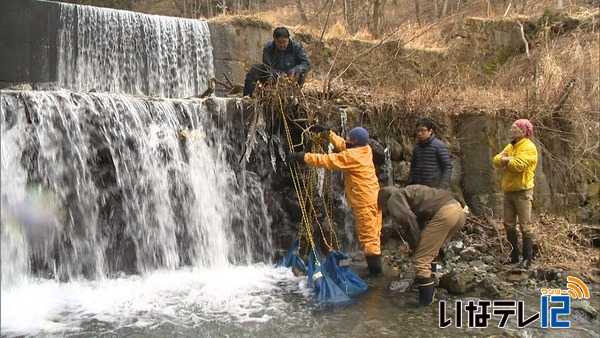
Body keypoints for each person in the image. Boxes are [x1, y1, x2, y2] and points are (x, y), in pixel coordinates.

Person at [286, 126, 383, 276]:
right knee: (373, 233)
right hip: (372, 197)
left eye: (350, 138)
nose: (347, 140)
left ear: (355, 141)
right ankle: (373, 267)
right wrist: (328, 134)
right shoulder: (365, 149)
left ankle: (376, 275)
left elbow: (328, 160)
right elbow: (344, 145)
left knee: (369, 238)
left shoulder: (352, 157)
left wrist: (302, 157)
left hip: (364, 201)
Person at [377, 185, 466, 306]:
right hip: (459, 212)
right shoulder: (410, 193)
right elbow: (420, 222)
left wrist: (414, 245)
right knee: (430, 251)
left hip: (445, 213)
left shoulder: (394, 198)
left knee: (420, 259)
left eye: (386, 210)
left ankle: (426, 301)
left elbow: (407, 219)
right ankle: (431, 282)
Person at [492, 119, 538, 270]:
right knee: (509, 224)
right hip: (509, 191)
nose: (511, 130)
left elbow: (517, 166)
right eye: (511, 127)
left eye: (514, 128)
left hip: (523, 192)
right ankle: (513, 256)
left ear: (524, 132)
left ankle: (527, 259)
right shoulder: (511, 145)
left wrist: (507, 160)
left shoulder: (529, 147)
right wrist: (509, 159)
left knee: (525, 226)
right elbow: (496, 160)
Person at [243, 27, 310, 97]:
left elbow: (305, 64)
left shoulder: (296, 47)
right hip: (273, 77)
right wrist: (279, 75)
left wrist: (294, 70)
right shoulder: (268, 48)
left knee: (300, 75)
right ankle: (247, 96)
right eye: (278, 42)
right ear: (274, 40)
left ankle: (294, 95)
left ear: (288, 39)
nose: (281, 45)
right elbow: (267, 67)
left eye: (284, 42)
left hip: (291, 78)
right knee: (256, 68)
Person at [408, 117, 452, 190]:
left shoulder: (439, 146)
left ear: (430, 131)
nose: (420, 133)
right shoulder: (417, 148)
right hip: (417, 188)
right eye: (418, 130)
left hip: (433, 188)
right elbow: (413, 168)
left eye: (423, 130)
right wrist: (409, 184)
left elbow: (447, 167)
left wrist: (442, 187)